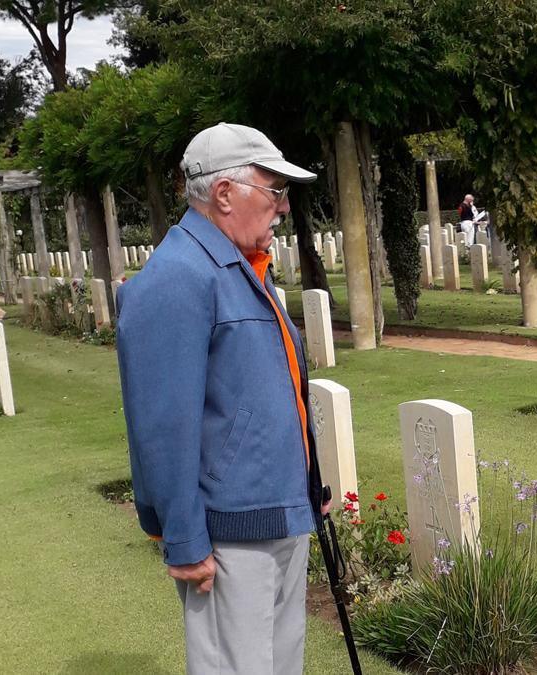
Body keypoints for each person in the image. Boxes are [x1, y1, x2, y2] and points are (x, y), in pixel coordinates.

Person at [115, 123, 330, 675]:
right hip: (228, 531)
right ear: (225, 193)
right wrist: (183, 537)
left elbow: (269, 393)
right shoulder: (178, 277)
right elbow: (161, 424)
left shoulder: (241, 268)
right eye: (274, 191)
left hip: (277, 514)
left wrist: (306, 488)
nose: (282, 207)